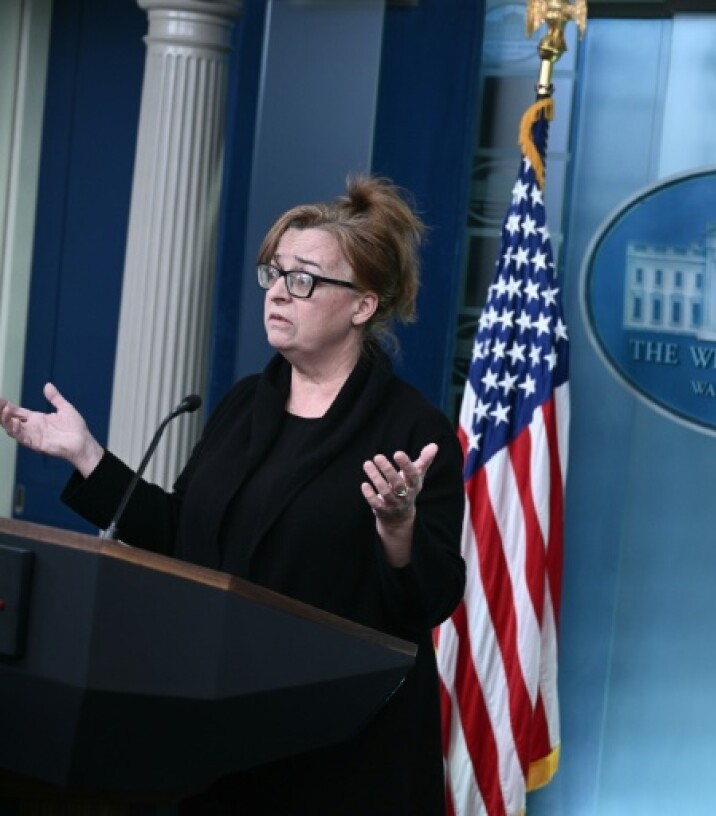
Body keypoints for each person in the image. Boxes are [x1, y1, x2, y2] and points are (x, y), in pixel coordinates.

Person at [0, 176, 465, 814]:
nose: (279, 292)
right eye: (274, 273)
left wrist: (397, 527)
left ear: (363, 305)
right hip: (224, 738)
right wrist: (86, 455)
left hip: (342, 755)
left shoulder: (413, 431)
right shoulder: (247, 402)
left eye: (305, 279)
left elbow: (432, 600)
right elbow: (180, 536)